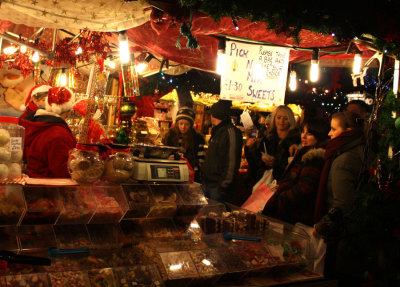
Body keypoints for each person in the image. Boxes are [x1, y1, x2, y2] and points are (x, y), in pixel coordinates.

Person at [313, 111, 368, 282]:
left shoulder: (344, 160)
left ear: (348, 131)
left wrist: (321, 227)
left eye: (333, 129)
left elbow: (343, 205)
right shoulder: (362, 150)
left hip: (344, 239)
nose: (329, 134)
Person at [262, 119, 329, 226]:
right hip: (290, 212)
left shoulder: (314, 158)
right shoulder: (303, 152)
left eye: (309, 133)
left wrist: (281, 199)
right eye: (303, 132)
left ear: (319, 135)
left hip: (295, 215)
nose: (303, 136)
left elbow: (304, 189)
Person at [22, 86, 76, 178]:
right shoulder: (59, 134)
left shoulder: (39, 124)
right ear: (69, 111)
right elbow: (62, 171)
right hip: (49, 187)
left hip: (35, 183)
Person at [245, 105, 300, 183]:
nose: (281, 121)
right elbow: (254, 163)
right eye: (279, 117)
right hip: (264, 183)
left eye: (286, 118)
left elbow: (295, 168)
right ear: (274, 118)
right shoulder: (267, 138)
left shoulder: (296, 141)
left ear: (291, 120)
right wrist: (249, 148)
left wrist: (276, 164)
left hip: (283, 184)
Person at [201, 100, 243, 202]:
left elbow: (232, 162)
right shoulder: (218, 131)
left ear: (214, 115)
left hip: (218, 188)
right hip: (208, 184)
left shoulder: (230, 132)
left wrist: (224, 186)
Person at [162, 106, 205, 182]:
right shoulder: (169, 136)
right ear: (177, 123)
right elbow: (164, 154)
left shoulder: (197, 138)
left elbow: (201, 160)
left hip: (191, 174)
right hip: (171, 173)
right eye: (181, 123)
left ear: (191, 125)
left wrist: (196, 171)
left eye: (187, 124)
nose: (183, 127)